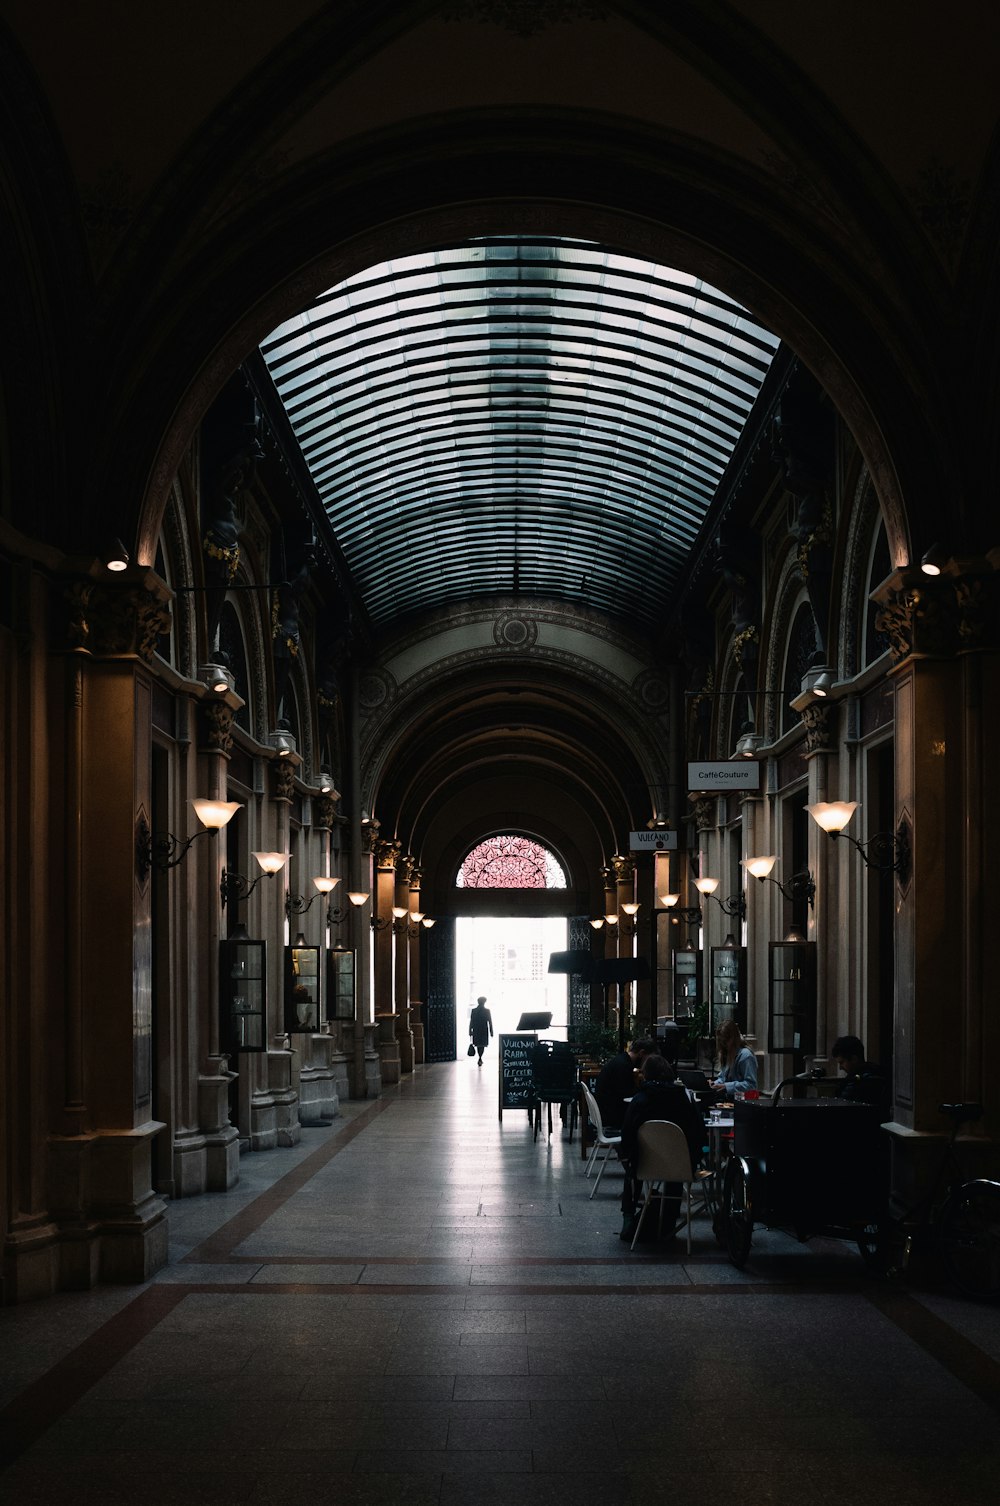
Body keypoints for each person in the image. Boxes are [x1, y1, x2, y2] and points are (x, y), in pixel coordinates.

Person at [618, 1054, 706, 1242]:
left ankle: (628, 1219)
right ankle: (669, 1223)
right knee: (675, 1168)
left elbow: (627, 1135)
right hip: (682, 1167)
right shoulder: (685, 1098)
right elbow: (699, 1133)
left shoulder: (640, 1099)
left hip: (644, 1165)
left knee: (632, 1169)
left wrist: (627, 1157)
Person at [593, 1037, 657, 1132]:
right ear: (642, 1053)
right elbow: (627, 1095)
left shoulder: (621, 1061)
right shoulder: (624, 1066)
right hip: (612, 1116)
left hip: (606, 1111)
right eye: (649, 1058)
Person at [831, 1034, 888, 1114]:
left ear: (854, 1059)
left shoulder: (863, 1080)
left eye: (842, 1062)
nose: (840, 1067)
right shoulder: (873, 1073)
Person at [710, 1018, 758, 1096]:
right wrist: (714, 1084)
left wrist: (727, 1086)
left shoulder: (746, 1056)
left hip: (742, 1102)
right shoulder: (727, 1054)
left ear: (733, 1039)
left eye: (725, 1041)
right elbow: (723, 1078)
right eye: (721, 1042)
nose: (724, 1045)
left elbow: (751, 1085)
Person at [469, 996, 493, 1065]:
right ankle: (480, 1057)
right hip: (484, 1029)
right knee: (482, 1044)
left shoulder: (474, 1011)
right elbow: (490, 1021)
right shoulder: (487, 1011)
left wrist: (470, 1030)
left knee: (478, 1044)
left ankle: (480, 1057)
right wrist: (491, 1031)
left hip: (476, 1029)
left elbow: (471, 1021)